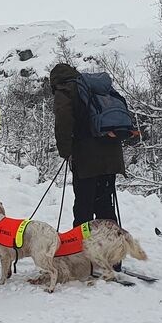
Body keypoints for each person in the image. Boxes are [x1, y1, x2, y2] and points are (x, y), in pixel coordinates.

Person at [49, 63, 125, 226]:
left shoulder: (65, 90)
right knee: (105, 203)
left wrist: (65, 151)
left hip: (87, 159)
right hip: (111, 155)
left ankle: (82, 247)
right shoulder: (95, 87)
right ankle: (112, 246)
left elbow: (63, 122)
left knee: (84, 205)